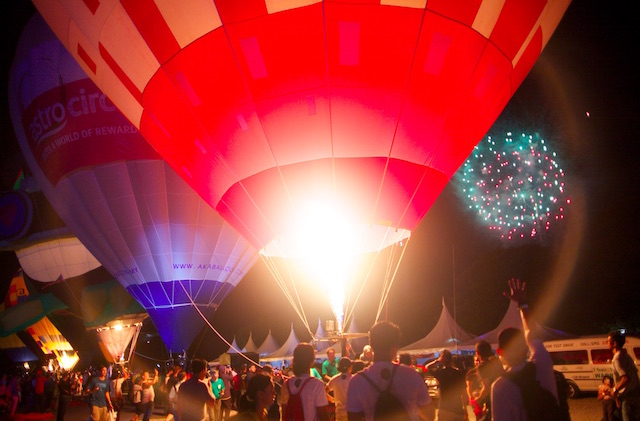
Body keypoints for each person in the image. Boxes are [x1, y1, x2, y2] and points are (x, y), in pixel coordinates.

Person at [490, 278, 559, 421]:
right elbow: (531, 332)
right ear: (526, 346)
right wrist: (522, 303)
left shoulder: (500, 387)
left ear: (500, 352)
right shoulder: (542, 364)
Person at [346, 321, 432, 420]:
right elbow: (429, 414)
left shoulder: (357, 381)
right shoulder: (411, 375)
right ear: (395, 346)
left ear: (371, 345)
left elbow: (353, 418)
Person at [280, 342, 330, 421]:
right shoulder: (317, 385)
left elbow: (284, 415)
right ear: (312, 361)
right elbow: (323, 416)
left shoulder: (286, 384)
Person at [424, 349, 466, 421]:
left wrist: (437, 361)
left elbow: (427, 367)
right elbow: (464, 393)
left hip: (444, 408)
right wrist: (465, 408)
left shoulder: (440, 373)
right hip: (458, 409)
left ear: (442, 361)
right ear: (451, 360)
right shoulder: (459, 373)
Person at [609, 329, 640, 421]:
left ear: (614, 344)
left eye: (608, 341)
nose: (607, 343)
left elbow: (625, 378)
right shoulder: (625, 355)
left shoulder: (617, 359)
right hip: (635, 394)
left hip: (628, 398)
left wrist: (615, 389)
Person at [473, 339, 503, 420]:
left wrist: (478, 399)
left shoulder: (482, 367)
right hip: (504, 399)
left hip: (493, 403)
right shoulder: (498, 362)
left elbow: (486, 388)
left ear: (477, 353)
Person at [326, 357, 352, 421]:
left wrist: (331, 399)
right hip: (351, 413)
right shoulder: (353, 379)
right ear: (350, 367)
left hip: (339, 413)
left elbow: (324, 392)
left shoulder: (334, 379)